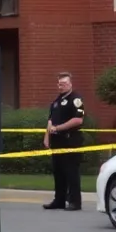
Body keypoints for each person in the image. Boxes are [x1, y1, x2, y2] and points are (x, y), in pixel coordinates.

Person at [43, 71, 86, 211]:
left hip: (70, 141)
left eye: (64, 83)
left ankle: (75, 202)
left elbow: (78, 120)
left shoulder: (76, 99)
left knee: (71, 172)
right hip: (57, 141)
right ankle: (59, 200)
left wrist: (58, 128)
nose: (61, 86)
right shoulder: (56, 101)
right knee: (58, 172)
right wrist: (47, 136)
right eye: (60, 84)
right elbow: (50, 120)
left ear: (70, 84)